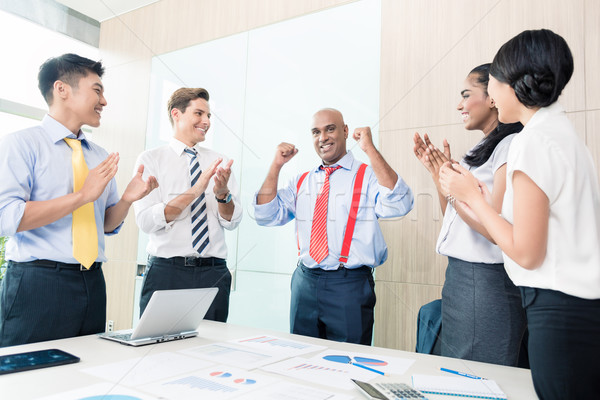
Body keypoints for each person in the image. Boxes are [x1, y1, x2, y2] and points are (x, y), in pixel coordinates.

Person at [439, 29, 600, 399]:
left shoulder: (532, 142)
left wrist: (473, 200)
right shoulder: (562, 135)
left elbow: (526, 251)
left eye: (493, 80)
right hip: (578, 309)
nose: (491, 94)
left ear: (515, 83)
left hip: (558, 309)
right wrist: (475, 195)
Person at [0, 53, 158, 347]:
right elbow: (7, 217)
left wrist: (127, 199)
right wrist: (83, 195)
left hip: (92, 282)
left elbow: (107, 225)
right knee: (27, 381)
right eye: (97, 90)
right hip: (39, 283)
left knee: (86, 375)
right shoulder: (21, 144)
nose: (105, 101)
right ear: (62, 89)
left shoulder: (99, 155)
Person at [253, 108, 413, 345]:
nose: (323, 137)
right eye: (316, 132)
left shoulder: (368, 175)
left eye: (330, 129)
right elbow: (265, 215)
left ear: (345, 131)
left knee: (348, 363)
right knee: (300, 359)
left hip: (348, 285)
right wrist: (276, 166)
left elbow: (400, 204)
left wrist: (369, 149)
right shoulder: (301, 180)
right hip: (304, 282)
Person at [413, 64, 526, 366]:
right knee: (458, 374)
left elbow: (498, 227)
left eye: (466, 95)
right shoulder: (482, 149)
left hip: (484, 282)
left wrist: (457, 191)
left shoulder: (510, 145)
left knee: (476, 378)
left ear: (492, 98)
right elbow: (455, 218)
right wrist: (441, 179)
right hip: (462, 278)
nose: (459, 105)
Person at [133, 88, 242, 322]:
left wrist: (223, 195)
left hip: (213, 272)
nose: (206, 121)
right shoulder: (151, 159)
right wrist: (197, 189)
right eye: (199, 113)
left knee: (209, 349)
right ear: (177, 114)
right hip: (167, 273)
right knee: (159, 349)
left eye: (209, 116)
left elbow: (232, 222)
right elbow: (146, 221)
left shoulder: (219, 162)